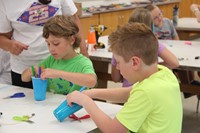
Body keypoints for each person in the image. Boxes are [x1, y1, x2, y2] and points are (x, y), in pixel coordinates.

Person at [66, 23, 183, 133]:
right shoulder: (164, 73)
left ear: (135, 62)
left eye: (118, 62)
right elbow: (129, 93)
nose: (117, 66)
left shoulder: (146, 92)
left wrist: (85, 101)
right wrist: (90, 93)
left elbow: (112, 130)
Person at [0, 0, 88, 89]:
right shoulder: (5, 3)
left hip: (59, 65)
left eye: (55, 43)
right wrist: (9, 45)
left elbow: (74, 20)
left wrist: (84, 53)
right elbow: (2, 36)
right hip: (23, 67)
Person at [22, 15, 96, 94]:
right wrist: (30, 71)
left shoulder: (82, 62)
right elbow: (24, 78)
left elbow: (91, 81)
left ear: (72, 40)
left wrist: (58, 73)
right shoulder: (51, 60)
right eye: (48, 44)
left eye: (56, 43)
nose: (51, 49)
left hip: (74, 105)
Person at [111, 8, 179, 87]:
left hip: (129, 92)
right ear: (150, 26)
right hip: (151, 87)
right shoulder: (153, 43)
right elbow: (174, 63)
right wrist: (151, 67)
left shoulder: (119, 45)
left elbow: (115, 78)